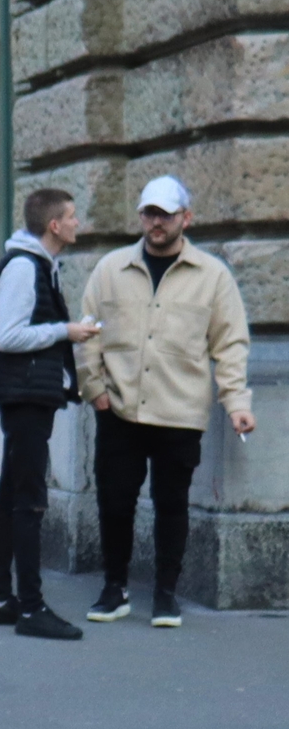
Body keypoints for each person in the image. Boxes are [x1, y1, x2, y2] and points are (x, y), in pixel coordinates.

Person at [75, 175, 255, 628]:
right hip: (119, 410)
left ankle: (165, 595)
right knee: (115, 501)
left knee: (171, 504)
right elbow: (88, 335)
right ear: (140, 216)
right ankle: (114, 588)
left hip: (179, 411)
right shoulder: (110, 269)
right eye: (149, 213)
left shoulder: (213, 276)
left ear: (185, 218)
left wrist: (236, 402)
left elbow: (230, 344)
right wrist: (94, 389)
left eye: (166, 214)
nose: (156, 223)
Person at [0, 189, 99, 639]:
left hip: (31, 395)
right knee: (27, 501)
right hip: (24, 396)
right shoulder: (24, 267)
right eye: (71, 216)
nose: (77, 223)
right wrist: (65, 331)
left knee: (13, 495)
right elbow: (9, 337)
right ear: (54, 225)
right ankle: (30, 607)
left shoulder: (38, 266)